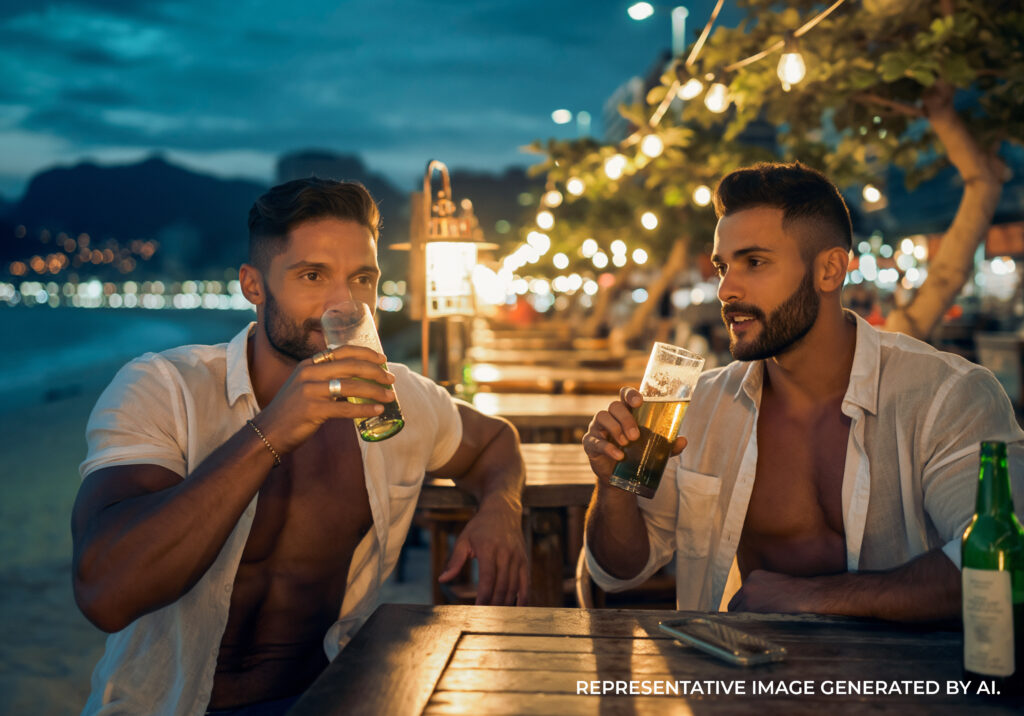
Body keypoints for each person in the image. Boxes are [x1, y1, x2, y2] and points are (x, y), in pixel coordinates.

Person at [71, 178, 529, 715]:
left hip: (328, 697)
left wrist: (502, 507)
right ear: (253, 286)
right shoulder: (165, 389)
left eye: (363, 278)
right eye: (313, 275)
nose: (345, 303)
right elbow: (105, 592)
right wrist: (273, 430)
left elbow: (494, 441)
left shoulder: (398, 398)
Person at [583, 161, 1024, 621]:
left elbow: (1004, 561)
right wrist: (614, 486)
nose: (726, 290)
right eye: (722, 266)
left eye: (754, 262)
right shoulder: (700, 405)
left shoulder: (947, 398)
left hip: (906, 689)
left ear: (830, 269)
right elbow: (620, 572)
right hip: (736, 682)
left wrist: (811, 597)